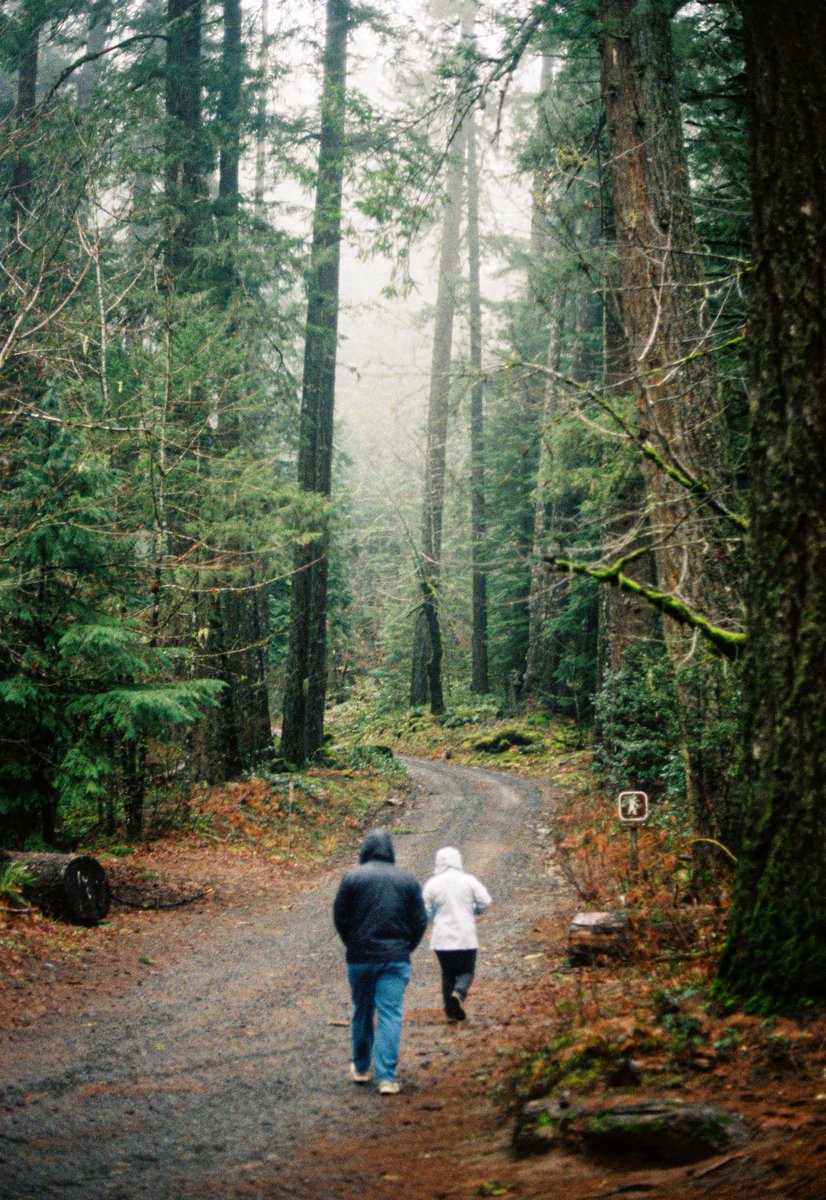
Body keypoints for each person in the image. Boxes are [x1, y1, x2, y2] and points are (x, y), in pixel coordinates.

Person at [333, 828, 427, 1095]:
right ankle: (387, 1077)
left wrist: (352, 943)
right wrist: (405, 947)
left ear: (365, 849)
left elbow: (340, 916)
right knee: (390, 1014)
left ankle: (361, 1068)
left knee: (361, 1010)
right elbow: (420, 920)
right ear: (390, 851)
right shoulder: (407, 880)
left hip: (360, 958)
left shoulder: (352, 877)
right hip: (395, 958)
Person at [422, 847, 491, 1022]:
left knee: (448, 973)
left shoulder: (432, 883)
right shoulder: (468, 880)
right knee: (467, 971)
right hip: (465, 935)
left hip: (442, 938)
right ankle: (459, 993)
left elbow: (425, 911)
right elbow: (485, 901)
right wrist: (474, 910)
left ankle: (450, 1011)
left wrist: (435, 918)